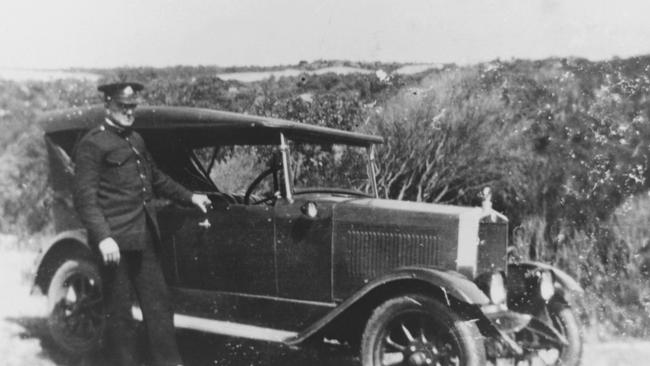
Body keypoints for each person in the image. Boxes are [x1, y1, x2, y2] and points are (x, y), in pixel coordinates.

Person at [73, 82, 211, 366]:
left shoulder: (136, 140)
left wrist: (190, 196)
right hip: (115, 243)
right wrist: (103, 237)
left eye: (132, 107)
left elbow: (156, 178)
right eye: (123, 107)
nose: (128, 112)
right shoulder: (92, 144)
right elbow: (85, 199)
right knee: (120, 317)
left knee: (159, 309)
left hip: (144, 238)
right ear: (108, 106)